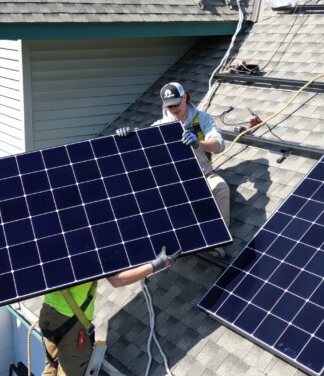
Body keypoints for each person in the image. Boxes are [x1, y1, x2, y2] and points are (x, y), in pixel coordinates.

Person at [39, 247, 179, 376]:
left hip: (47, 315)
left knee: (51, 367)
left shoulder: (59, 240)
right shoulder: (91, 246)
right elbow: (117, 280)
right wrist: (157, 264)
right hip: (71, 325)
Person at [116, 82, 231, 228]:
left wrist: (199, 144)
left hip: (203, 174)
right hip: (174, 179)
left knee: (221, 189)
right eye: (170, 106)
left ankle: (218, 237)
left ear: (185, 97)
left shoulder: (201, 119)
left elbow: (218, 144)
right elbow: (141, 148)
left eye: (176, 104)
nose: (174, 109)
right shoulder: (159, 126)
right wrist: (127, 138)